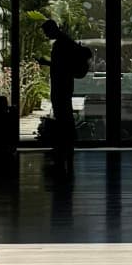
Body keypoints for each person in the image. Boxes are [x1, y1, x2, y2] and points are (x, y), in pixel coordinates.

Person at [41, 13, 91, 165]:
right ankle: (67, 145)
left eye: (46, 32)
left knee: (63, 115)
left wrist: (46, 63)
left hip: (61, 85)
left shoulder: (60, 44)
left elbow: (60, 66)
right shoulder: (67, 41)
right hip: (66, 85)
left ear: (51, 30)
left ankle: (65, 144)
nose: (46, 35)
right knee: (65, 115)